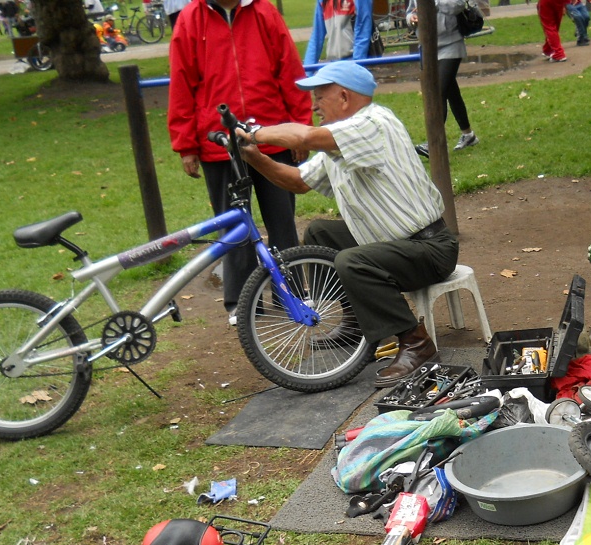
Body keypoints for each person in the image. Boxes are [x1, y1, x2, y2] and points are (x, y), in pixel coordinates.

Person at [236, 60, 458, 388]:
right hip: (396, 244)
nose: (314, 106)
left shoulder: (372, 123)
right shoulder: (342, 141)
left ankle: (416, 343)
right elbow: (297, 181)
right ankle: (359, 326)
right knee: (320, 232)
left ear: (343, 97)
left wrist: (253, 132)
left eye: (319, 97)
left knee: (350, 261)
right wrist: (254, 156)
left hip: (429, 249)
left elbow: (305, 136)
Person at [168, 0, 312, 323]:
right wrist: (186, 144)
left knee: (282, 218)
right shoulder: (190, 19)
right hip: (219, 142)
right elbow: (181, 81)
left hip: (271, 134)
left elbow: (289, 69)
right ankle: (243, 301)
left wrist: (300, 129)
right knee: (233, 225)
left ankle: (292, 292)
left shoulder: (264, 12)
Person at [406, 0, 479, 157]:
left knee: (437, 91)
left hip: (451, 43)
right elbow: (410, 12)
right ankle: (469, 135)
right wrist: (412, 19)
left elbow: (458, 5)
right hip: (428, 45)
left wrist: (432, 4)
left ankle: (434, 143)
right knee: (451, 92)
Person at [303, 0, 373, 68]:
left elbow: (363, 31)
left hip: (352, 61)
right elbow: (316, 37)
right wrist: (308, 70)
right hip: (334, 63)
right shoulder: (322, 1)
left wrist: (357, 66)